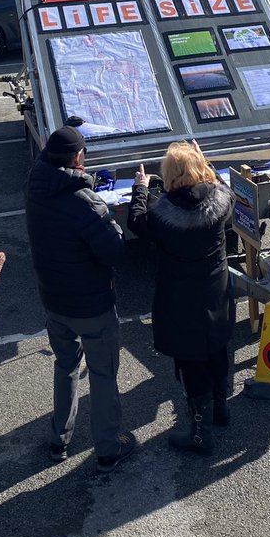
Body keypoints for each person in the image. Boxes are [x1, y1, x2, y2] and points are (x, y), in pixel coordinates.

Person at [24, 124, 135, 472]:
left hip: (54, 301)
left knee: (66, 365)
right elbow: (114, 251)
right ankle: (107, 448)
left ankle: (59, 439)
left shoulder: (35, 186)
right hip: (92, 306)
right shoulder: (85, 203)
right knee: (102, 374)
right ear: (77, 158)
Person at [127, 141, 234, 455]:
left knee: (190, 360)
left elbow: (136, 222)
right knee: (217, 347)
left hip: (180, 296)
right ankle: (221, 408)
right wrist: (204, 159)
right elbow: (222, 184)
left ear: (170, 175)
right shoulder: (220, 201)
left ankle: (200, 433)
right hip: (216, 288)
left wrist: (140, 188)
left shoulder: (163, 214)